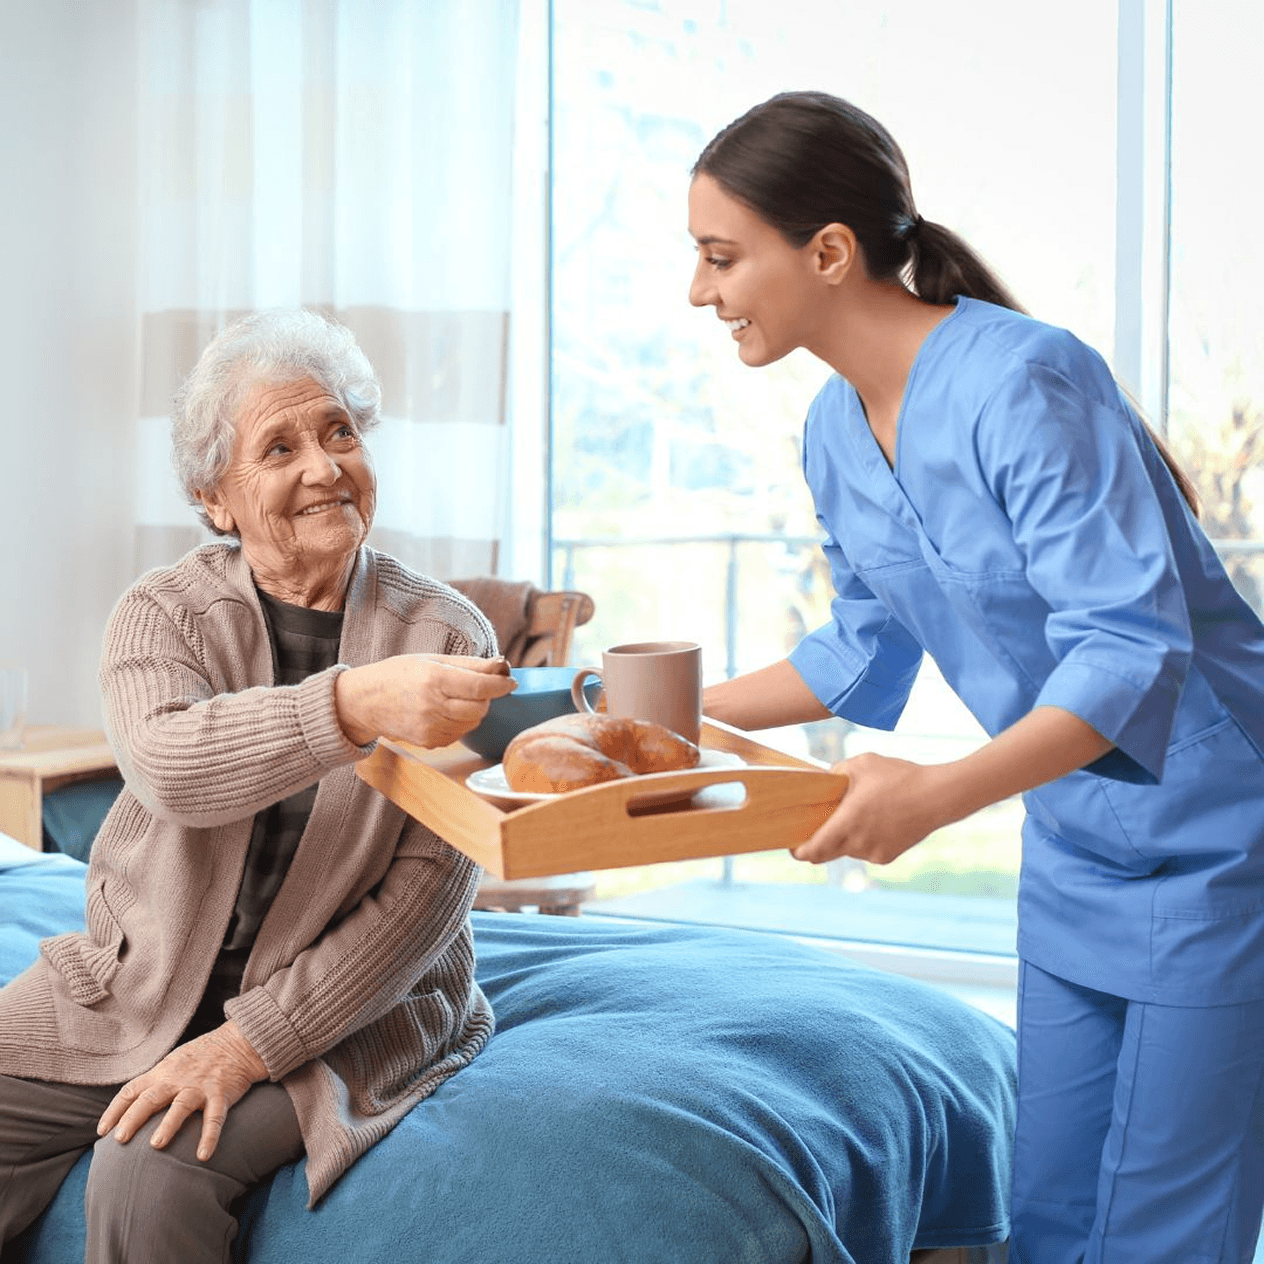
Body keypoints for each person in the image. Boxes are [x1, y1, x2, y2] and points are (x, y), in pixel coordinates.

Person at [691, 91, 1264, 1264]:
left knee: (1164, 1230)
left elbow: (1127, 647)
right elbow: (857, 650)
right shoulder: (832, 430)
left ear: (830, 252)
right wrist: (619, 713)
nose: (701, 293)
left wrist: (934, 794)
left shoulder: (1023, 381)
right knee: (1046, 1212)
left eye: (720, 257)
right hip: (1070, 848)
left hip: (1217, 842)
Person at [0, 309, 517, 1261]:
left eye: (340, 433)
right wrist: (353, 705)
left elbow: (425, 900)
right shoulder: (161, 615)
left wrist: (245, 1046)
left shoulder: (445, 639)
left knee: (147, 1168)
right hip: (140, 982)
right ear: (216, 499)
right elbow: (172, 768)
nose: (324, 467)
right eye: (279, 446)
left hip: (347, 1010)